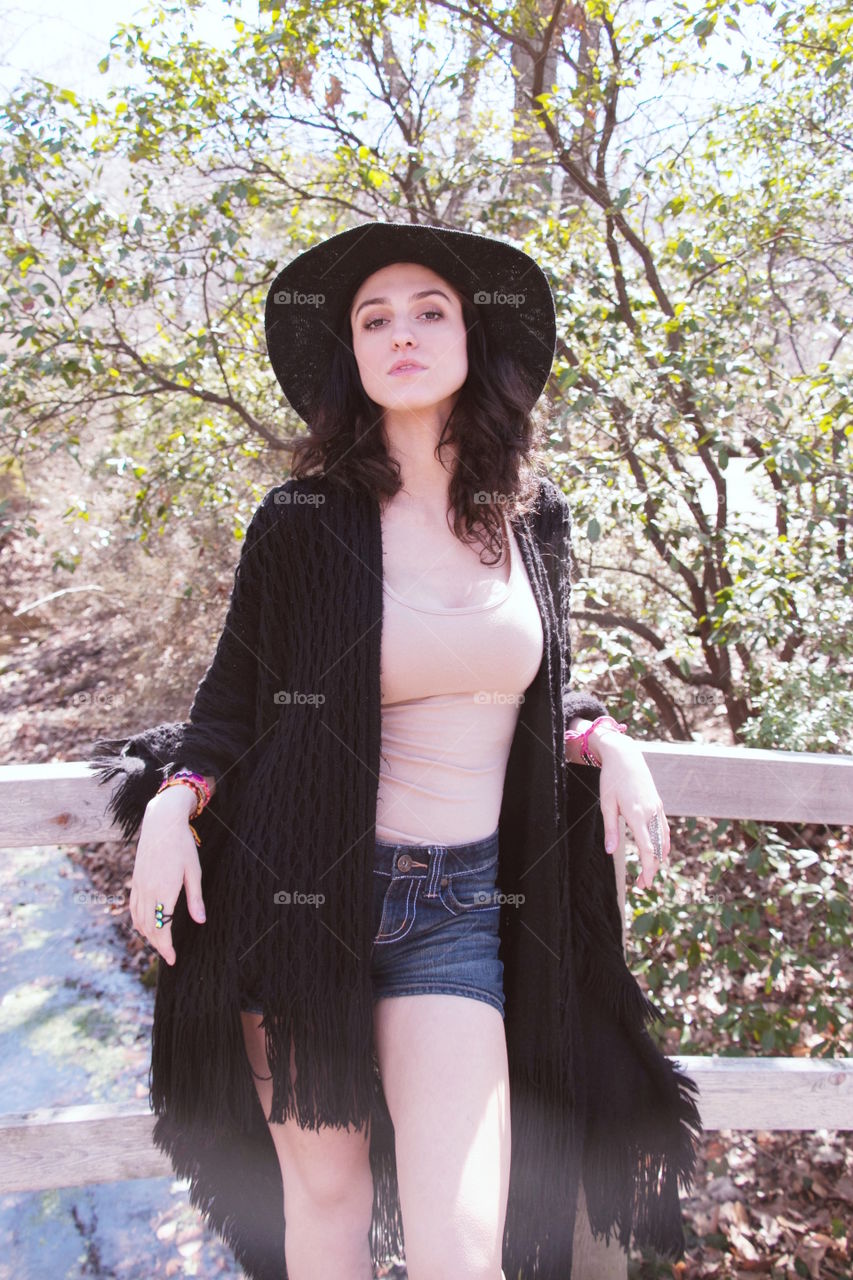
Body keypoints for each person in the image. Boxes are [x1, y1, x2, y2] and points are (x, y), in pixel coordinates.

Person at [90, 221, 701, 1280]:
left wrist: (611, 742)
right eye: (374, 319)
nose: (402, 333)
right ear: (353, 358)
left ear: (474, 342)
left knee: (464, 1249)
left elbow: (540, 682)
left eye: (430, 311)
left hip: (457, 916)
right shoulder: (301, 522)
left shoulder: (533, 520)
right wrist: (166, 802)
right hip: (295, 908)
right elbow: (228, 707)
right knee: (325, 1213)